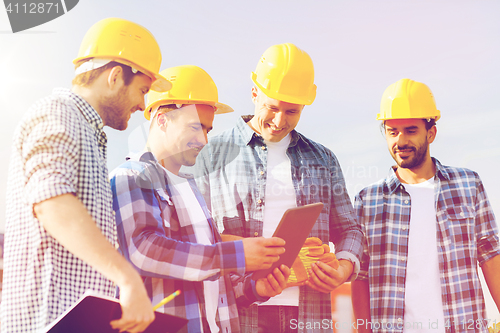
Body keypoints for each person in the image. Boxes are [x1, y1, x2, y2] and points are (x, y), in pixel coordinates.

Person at [1, 18, 171, 333]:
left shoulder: (87, 133)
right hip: (44, 320)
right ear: (115, 75)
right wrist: (126, 276)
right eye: (142, 90)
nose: (142, 104)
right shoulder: (58, 112)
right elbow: (51, 202)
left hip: (71, 321)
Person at [194, 43, 364, 333]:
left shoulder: (323, 159)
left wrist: (343, 268)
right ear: (254, 93)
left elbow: (350, 230)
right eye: (271, 108)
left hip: (309, 315)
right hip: (236, 312)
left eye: (292, 111)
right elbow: (195, 235)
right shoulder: (211, 153)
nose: (279, 121)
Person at [110, 65, 290, 333]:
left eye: (207, 129)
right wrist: (237, 254)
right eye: (195, 127)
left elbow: (211, 282)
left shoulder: (190, 188)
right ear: (162, 119)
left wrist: (254, 289)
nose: (204, 140)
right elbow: (142, 251)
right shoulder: (131, 176)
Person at [352, 78, 500, 333]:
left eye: (411, 130)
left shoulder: (468, 184)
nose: (400, 141)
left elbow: (490, 255)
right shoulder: (369, 199)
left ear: (430, 132)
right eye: (392, 131)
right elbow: (361, 276)